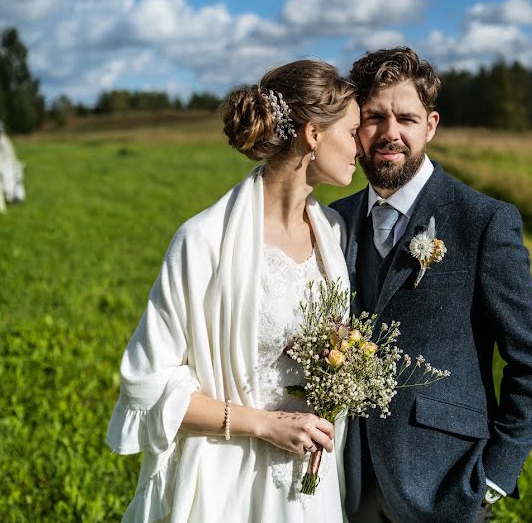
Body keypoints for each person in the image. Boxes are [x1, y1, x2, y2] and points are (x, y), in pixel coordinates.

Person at [105, 60, 360, 522]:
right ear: (314, 134)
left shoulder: (334, 234)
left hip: (311, 485)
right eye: (353, 130)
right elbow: (147, 383)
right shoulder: (204, 243)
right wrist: (262, 425)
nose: (360, 145)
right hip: (231, 482)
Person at [330, 47, 532, 523]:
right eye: (375, 117)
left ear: (430, 125)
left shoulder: (484, 222)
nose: (390, 132)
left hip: (447, 488)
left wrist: (493, 478)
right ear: (356, 128)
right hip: (348, 485)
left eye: (406, 118)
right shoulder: (336, 221)